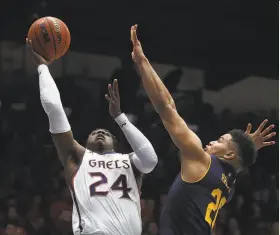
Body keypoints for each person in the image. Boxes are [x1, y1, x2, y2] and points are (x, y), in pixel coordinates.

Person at [130, 25, 276, 235]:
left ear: (230, 153)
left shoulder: (201, 160)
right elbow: (238, 162)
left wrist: (142, 61)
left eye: (220, 140)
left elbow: (166, 106)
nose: (211, 142)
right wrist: (248, 145)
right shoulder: (229, 184)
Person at [26, 39, 158, 235]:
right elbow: (54, 107)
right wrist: (43, 68)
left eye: (105, 132)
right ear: (85, 143)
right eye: (94, 132)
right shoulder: (77, 158)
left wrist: (119, 117)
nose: (100, 132)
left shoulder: (129, 161)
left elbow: (150, 158)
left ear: (115, 142)